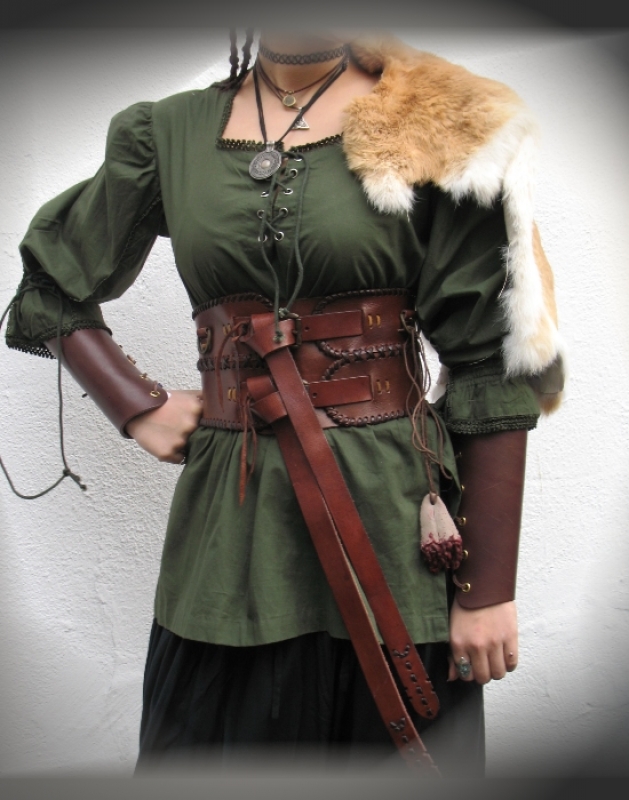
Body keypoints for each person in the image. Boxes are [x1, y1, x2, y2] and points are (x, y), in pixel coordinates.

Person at [3, 31, 564, 776]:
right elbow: (51, 283)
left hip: (394, 525)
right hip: (227, 532)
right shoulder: (166, 133)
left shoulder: (437, 117)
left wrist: (487, 589)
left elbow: (492, 356)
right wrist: (134, 403)